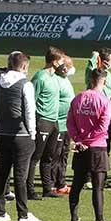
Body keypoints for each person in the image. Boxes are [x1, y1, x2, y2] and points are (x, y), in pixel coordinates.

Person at [0, 51, 42, 221]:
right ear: (23, 66)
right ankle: (23, 214)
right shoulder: (25, 84)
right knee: (20, 176)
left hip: (2, 134)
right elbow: (29, 111)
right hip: (21, 135)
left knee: (2, 173)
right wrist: (33, 133)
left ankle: (0, 212)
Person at [67, 69, 111, 221]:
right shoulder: (105, 101)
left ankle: (74, 218)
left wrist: (79, 140)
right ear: (104, 82)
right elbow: (103, 127)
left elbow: (70, 123)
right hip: (97, 147)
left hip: (81, 147)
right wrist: (88, 141)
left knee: (77, 183)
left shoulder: (78, 98)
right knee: (98, 186)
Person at [28, 46, 67, 199]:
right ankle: (29, 190)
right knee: (35, 157)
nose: (64, 63)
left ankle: (47, 188)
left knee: (49, 157)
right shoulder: (40, 77)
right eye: (62, 60)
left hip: (54, 121)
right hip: (43, 121)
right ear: (55, 61)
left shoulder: (54, 77)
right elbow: (32, 100)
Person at [86, 48, 111, 155]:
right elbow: (90, 67)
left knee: (107, 141)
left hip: (107, 111)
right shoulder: (94, 73)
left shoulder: (109, 75)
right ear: (104, 62)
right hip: (95, 111)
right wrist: (95, 56)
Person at [51, 57, 75, 196]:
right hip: (59, 123)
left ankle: (61, 182)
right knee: (56, 154)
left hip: (67, 124)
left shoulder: (64, 79)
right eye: (70, 66)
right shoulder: (56, 80)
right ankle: (54, 183)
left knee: (64, 154)